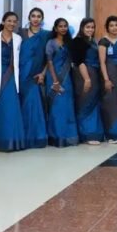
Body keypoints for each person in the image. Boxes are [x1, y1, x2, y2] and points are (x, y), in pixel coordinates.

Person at [0, 11, 24, 152]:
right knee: (0, 109)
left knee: (12, 109)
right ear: (3, 22)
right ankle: (0, 142)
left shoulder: (18, 39)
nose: (12, 23)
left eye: (14, 21)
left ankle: (13, 142)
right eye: (9, 20)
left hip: (12, 77)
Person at [69, 18, 104, 145]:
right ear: (82, 28)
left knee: (93, 103)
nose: (90, 29)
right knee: (85, 103)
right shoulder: (78, 41)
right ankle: (85, 135)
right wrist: (87, 79)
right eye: (87, 27)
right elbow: (79, 62)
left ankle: (95, 133)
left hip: (95, 74)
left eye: (92, 27)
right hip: (84, 75)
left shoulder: (93, 41)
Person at [19, 7, 50, 149]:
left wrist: (43, 73)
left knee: (34, 105)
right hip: (20, 74)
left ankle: (36, 137)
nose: (36, 19)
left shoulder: (46, 35)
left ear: (42, 19)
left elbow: (49, 58)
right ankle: (22, 137)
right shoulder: (20, 33)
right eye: (33, 16)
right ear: (29, 18)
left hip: (36, 75)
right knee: (21, 105)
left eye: (38, 16)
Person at [45, 18, 79, 147]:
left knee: (67, 107)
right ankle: (56, 137)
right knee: (56, 108)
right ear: (55, 28)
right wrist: (55, 81)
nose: (63, 28)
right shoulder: (51, 43)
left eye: (65, 26)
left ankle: (69, 137)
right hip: (54, 77)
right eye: (60, 26)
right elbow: (49, 62)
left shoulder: (70, 43)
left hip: (67, 79)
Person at [98, 15, 117, 143]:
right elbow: (102, 62)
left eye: (116, 25)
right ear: (107, 27)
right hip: (109, 73)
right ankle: (111, 134)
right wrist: (106, 80)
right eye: (111, 25)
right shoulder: (103, 41)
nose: (114, 28)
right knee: (111, 103)